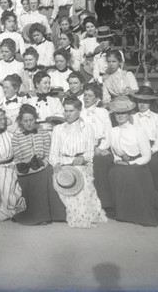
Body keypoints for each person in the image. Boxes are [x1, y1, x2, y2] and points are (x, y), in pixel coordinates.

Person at [106, 96, 158, 226]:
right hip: (121, 164)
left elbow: (146, 156)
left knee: (128, 173)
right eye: (118, 113)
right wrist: (118, 160)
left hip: (138, 164)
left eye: (123, 113)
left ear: (129, 114)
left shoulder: (138, 131)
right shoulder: (112, 131)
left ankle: (134, 212)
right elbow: (114, 152)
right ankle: (122, 211)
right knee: (114, 172)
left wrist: (130, 163)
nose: (120, 116)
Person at [49, 97, 108, 228]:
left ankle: (83, 215)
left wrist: (83, 158)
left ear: (79, 111)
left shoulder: (87, 128)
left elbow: (89, 152)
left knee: (81, 177)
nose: (67, 114)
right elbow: (53, 153)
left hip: (81, 164)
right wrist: (56, 164)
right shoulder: (58, 129)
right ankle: (75, 212)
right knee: (65, 178)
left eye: (71, 111)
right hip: (63, 163)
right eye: (65, 111)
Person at [12, 104, 65, 225]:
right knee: (32, 178)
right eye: (25, 121)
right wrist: (29, 164)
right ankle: (35, 215)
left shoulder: (44, 134)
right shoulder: (16, 137)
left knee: (46, 173)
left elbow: (48, 153)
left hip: (42, 166)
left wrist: (43, 163)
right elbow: (18, 157)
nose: (29, 123)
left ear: (35, 119)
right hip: (25, 168)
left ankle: (49, 214)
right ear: (21, 121)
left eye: (31, 120)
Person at [0, 107, 26, 222]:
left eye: (4, 118)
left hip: (11, 166)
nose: (3, 121)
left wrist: (15, 163)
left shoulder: (11, 135)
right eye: (0, 119)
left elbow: (18, 153)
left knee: (9, 181)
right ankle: (8, 210)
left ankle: (11, 208)